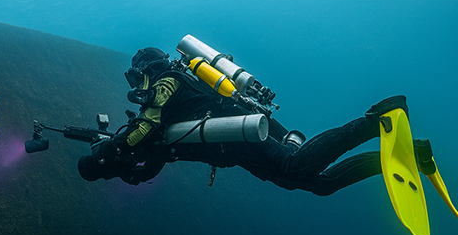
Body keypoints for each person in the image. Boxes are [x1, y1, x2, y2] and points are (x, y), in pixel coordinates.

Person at [77, 46, 410, 195]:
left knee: (294, 166)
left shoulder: (166, 82)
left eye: (135, 78)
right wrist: (130, 172)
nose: (137, 86)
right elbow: (159, 154)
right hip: (235, 142)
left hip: (239, 132)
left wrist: (108, 150)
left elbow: (146, 127)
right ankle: (390, 160)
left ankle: (376, 120)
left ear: (145, 70)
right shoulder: (173, 93)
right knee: (317, 185)